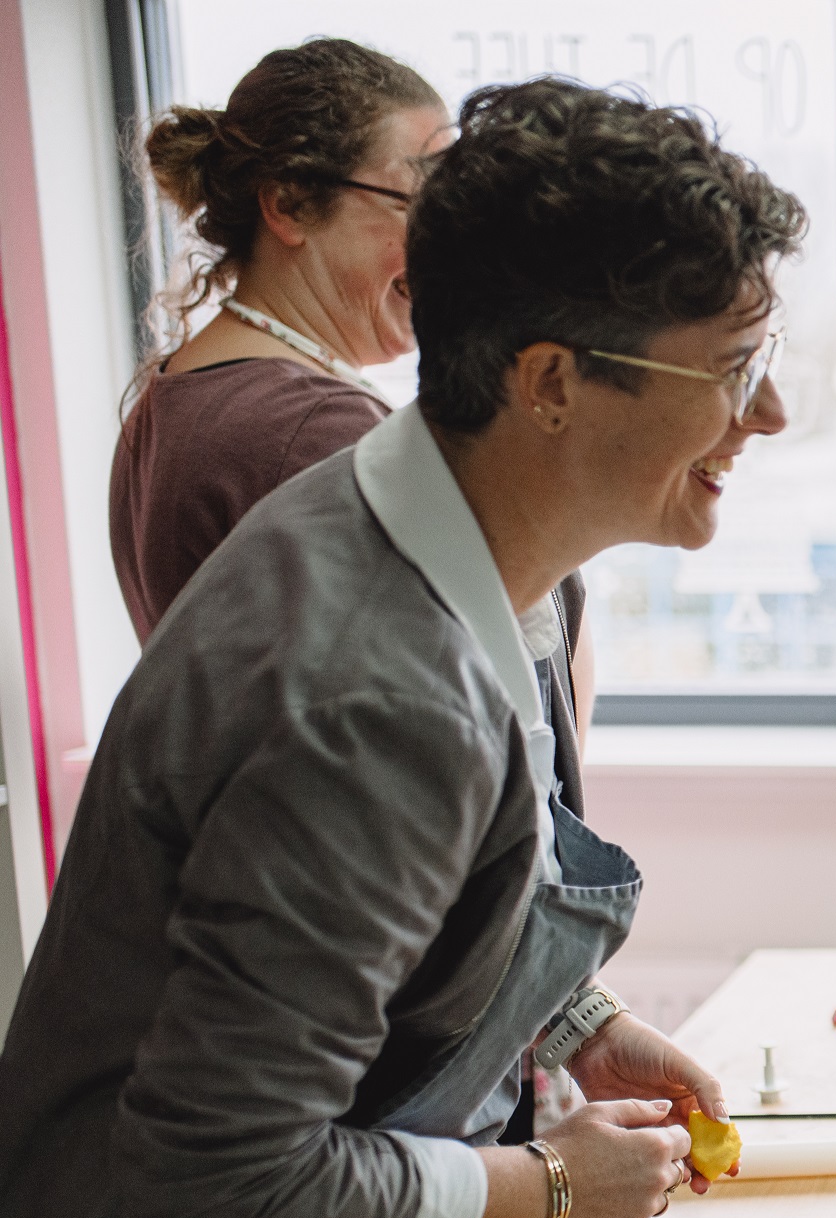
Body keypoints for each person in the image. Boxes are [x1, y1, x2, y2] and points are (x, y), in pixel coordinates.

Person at [0, 78, 800, 1218]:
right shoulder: (367, 685)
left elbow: (399, 904)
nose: (766, 419)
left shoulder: (478, 549)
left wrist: (564, 1028)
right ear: (553, 381)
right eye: (735, 371)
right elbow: (216, 1169)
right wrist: (552, 1184)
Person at [112, 38, 598, 752]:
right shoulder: (318, 432)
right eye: (423, 204)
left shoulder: (171, 398)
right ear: (288, 203)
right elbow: (495, 717)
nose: (450, 245)